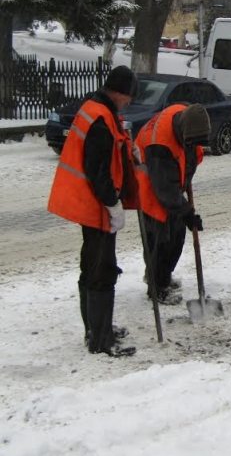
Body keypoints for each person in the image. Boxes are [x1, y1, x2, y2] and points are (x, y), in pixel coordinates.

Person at [47, 65, 140, 357]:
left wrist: (129, 149)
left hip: (89, 204)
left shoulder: (97, 108)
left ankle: (96, 329)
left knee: (91, 266)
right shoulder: (99, 118)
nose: (128, 103)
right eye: (128, 98)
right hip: (96, 206)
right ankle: (102, 340)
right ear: (119, 93)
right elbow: (98, 170)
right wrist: (113, 204)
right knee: (102, 271)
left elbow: (111, 147)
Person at [134, 103, 210, 305]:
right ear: (183, 131)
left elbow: (190, 156)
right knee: (160, 241)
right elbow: (164, 188)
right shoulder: (159, 144)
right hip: (150, 189)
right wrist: (187, 212)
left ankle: (163, 275)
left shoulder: (187, 117)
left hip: (170, 186)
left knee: (176, 236)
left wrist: (185, 185)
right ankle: (156, 287)